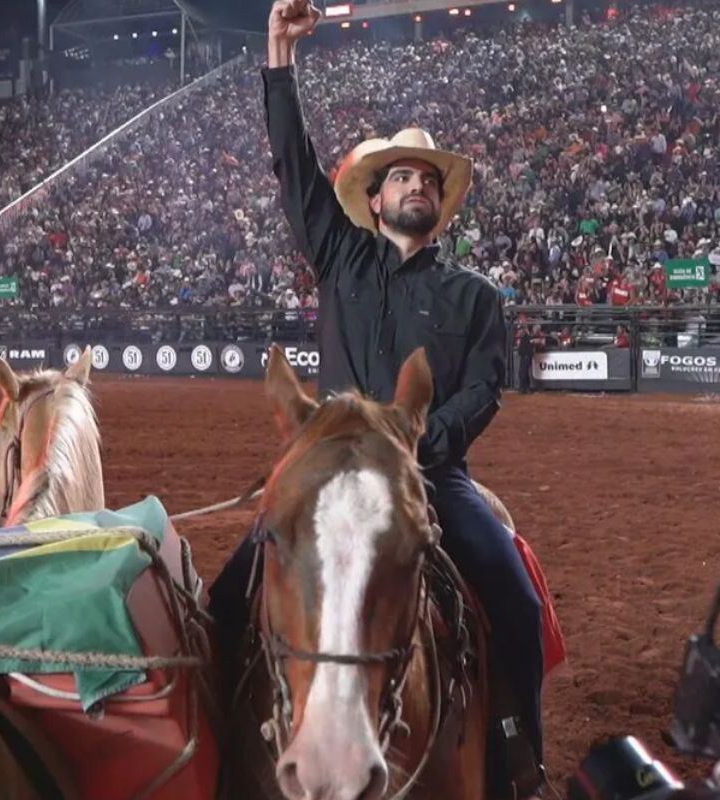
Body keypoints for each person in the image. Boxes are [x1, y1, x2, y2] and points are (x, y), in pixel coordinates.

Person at [205, 1, 547, 796]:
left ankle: (518, 752)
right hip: (328, 477)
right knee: (224, 600)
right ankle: (227, 751)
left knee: (517, 602)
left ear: (438, 204)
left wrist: (415, 446)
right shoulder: (340, 257)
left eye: (427, 179)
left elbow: (484, 390)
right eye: (401, 176)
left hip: (433, 478)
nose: (414, 186)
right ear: (376, 197)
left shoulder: (475, 298)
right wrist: (278, 57)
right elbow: (293, 166)